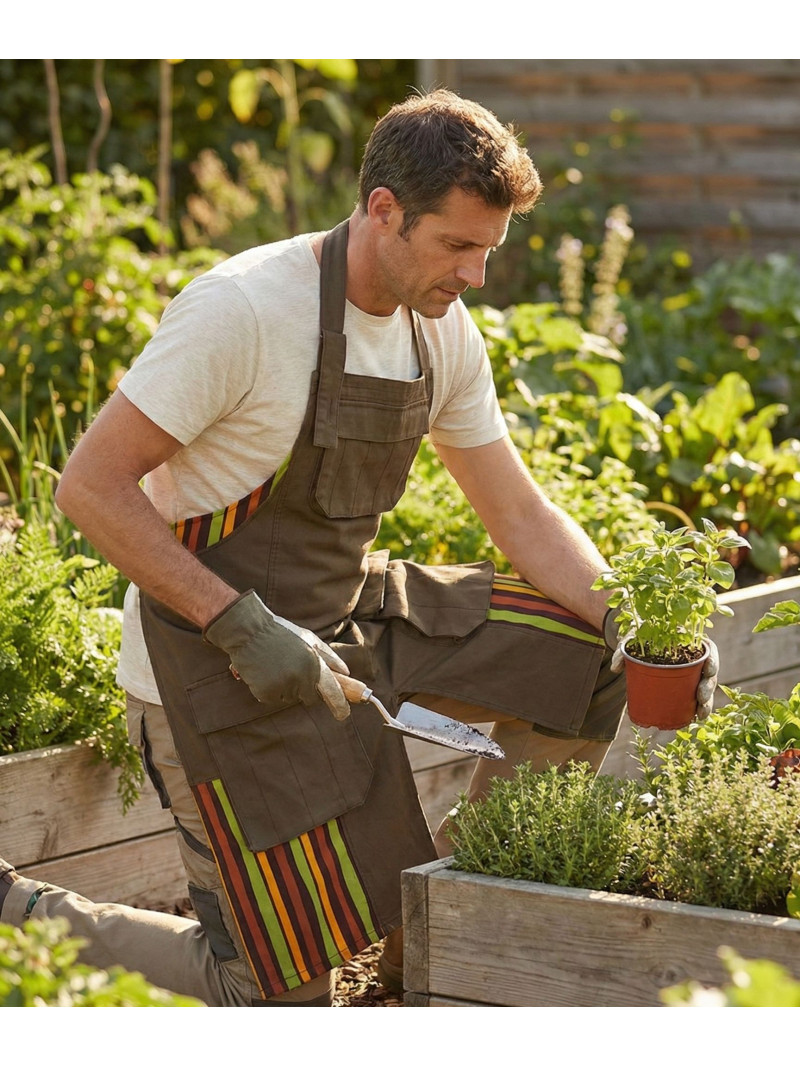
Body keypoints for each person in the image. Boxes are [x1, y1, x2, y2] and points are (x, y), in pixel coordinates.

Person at [0, 88, 691, 1006]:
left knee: (587, 657)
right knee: (272, 999)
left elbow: (519, 516)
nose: (476, 276)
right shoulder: (243, 311)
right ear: (383, 211)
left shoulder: (439, 327)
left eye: (489, 250)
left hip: (346, 616)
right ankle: (25, 917)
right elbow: (89, 486)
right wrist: (238, 624)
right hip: (208, 665)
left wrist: (649, 628)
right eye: (457, 246)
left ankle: (437, 928)